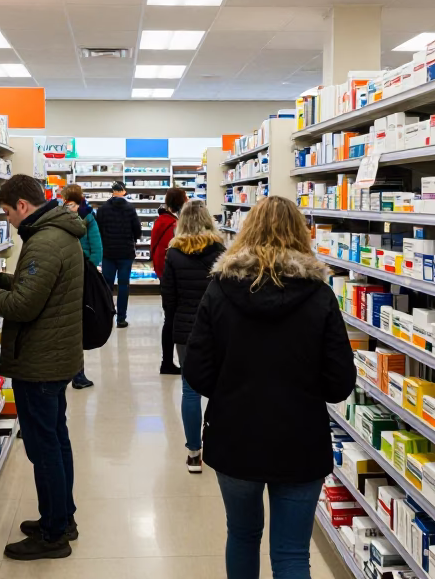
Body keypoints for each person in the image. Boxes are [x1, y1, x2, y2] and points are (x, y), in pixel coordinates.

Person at [184, 195, 355, 579]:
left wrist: (230, 388)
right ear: (301, 234)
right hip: (300, 439)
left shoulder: (220, 289)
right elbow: (339, 382)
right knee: (292, 552)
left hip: (234, 436)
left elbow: (196, 369)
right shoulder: (320, 295)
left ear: (246, 231)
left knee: (242, 535)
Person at [0, 175, 84, 561]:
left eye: (7, 213)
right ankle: (63, 518)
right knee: (56, 439)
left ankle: (52, 535)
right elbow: (40, 289)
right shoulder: (57, 234)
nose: (8, 221)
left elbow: (24, 306)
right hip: (56, 356)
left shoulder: (43, 242)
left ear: (22, 206)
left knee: (43, 447)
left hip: (40, 361)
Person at [160, 199, 225, 473]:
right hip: (218, 329)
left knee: (190, 390)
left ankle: (193, 453)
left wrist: (173, 323)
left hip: (186, 330)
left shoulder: (173, 254)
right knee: (222, 389)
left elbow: (169, 298)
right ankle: (221, 447)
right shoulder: (220, 251)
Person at [61, 183, 101, 390]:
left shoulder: (86, 219)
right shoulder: (87, 217)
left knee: (74, 325)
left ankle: (77, 374)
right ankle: (76, 374)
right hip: (73, 276)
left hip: (74, 276)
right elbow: (97, 249)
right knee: (74, 326)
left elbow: (97, 248)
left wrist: (88, 269)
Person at [150, 187, 188, 374]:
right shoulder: (173, 224)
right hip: (172, 279)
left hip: (164, 276)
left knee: (169, 319)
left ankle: (167, 361)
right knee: (172, 320)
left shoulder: (161, 220)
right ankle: (168, 362)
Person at [95, 180, 141, 328]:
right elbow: (138, 231)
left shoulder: (102, 210)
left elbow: (97, 231)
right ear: (123, 191)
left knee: (107, 285)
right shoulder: (130, 208)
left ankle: (107, 316)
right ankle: (121, 319)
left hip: (108, 253)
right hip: (126, 253)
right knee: (123, 285)